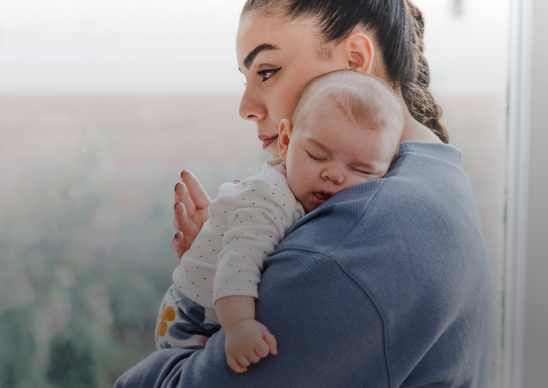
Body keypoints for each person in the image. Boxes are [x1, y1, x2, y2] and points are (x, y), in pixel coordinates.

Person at [116, 0, 493, 386]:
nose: (245, 107)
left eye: (267, 71)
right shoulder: (438, 181)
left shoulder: (359, 239)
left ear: (355, 60)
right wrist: (223, 257)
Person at [154, 70, 405, 375]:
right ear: (285, 141)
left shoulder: (310, 195)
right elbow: (238, 264)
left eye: (361, 169)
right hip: (192, 317)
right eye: (317, 155)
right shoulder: (269, 199)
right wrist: (239, 326)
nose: (334, 174)